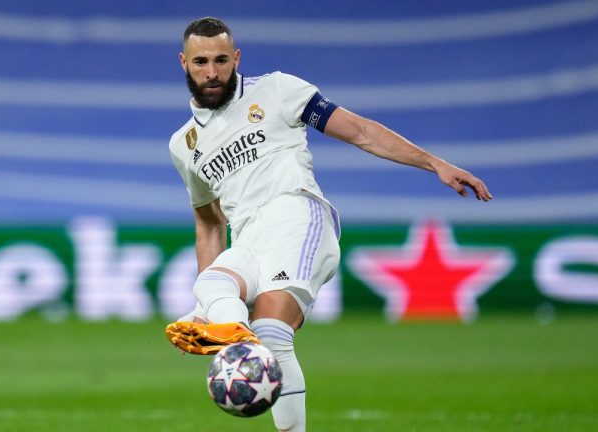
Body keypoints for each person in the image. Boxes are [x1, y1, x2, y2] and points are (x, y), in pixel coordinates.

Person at [165, 17, 492, 432]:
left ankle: (244, 343)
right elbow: (210, 225)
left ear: (237, 59)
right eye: (201, 62)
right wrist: (201, 313)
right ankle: (234, 335)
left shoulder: (278, 90)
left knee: (272, 332)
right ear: (183, 62)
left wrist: (434, 164)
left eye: (221, 60)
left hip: (298, 217)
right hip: (250, 238)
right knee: (209, 285)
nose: (212, 72)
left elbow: (359, 132)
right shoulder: (184, 145)